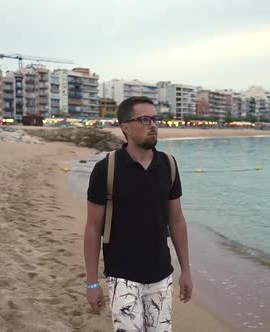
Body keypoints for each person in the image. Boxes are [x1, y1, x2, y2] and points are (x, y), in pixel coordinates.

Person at [84, 96, 193, 331]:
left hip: (162, 276)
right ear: (126, 127)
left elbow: (177, 221)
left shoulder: (168, 165)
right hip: (122, 276)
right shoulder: (107, 169)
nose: (153, 124)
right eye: (145, 119)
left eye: (155, 119)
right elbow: (93, 228)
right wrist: (92, 283)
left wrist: (186, 271)